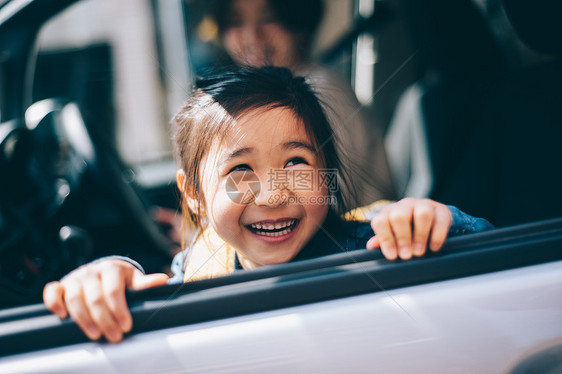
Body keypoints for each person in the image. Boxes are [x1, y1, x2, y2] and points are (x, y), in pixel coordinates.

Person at [43, 66, 493, 343]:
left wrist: (435, 222)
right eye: (240, 171)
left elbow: (488, 254)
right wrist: (114, 274)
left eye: (295, 163)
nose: (274, 193)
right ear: (194, 197)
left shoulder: (376, 238)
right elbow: (150, 287)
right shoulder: (203, 267)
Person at [206, 0, 396, 204]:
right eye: (236, 22)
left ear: (299, 25)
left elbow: (322, 201)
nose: (252, 36)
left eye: (269, 18)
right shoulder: (274, 95)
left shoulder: (320, 92)